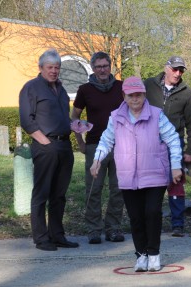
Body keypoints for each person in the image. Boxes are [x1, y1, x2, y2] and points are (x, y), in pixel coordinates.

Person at [90, 77, 182, 272]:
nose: (135, 99)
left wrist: (175, 166)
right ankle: (141, 255)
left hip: (154, 173)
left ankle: (154, 254)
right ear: (124, 96)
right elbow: (106, 141)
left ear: (144, 95)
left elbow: (173, 139)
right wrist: (97, 160)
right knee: (135, 217)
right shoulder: (115, 117)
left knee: (152, 213)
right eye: (131, 95)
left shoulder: (157, 115)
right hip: (127, 175)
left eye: (138, 95)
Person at [19, 48, 79, 251]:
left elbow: (63, 118)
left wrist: (76, 127)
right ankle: (41, 238)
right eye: (50, 67)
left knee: (59, 195)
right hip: (46, 146)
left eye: (57, 67)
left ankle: (57, 235)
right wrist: (45, 142)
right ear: (41, 68)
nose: (54, 71)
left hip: (64, 146)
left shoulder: (61, 90)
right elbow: (27, 120)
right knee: (42, 193)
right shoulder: (32, 88)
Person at [71, 51, 125, 244]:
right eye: (98, 66)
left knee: (118, 188)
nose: (102, 70)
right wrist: (81, 143)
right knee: (94, 188)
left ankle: (113, 227)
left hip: (120, 145)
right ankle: (94, 229)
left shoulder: (121, 87)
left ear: (110, 67)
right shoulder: (85, 90)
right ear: (93, 69)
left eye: (105, 66)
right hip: (95, 145)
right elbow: (75, 118)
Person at [145, 56, 191, 238]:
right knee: (151, 184)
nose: (178, 73)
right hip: (149, 142)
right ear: (166, 68)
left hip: (174, 143)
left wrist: (190, 150)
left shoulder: (186, 92)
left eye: (181, 70)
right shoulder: (148, 86)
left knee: (176, 184)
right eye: (175, 69)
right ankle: (152, 222)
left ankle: (178, 224)